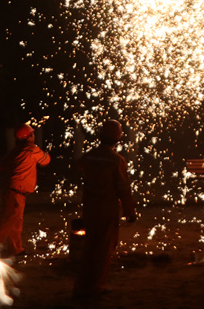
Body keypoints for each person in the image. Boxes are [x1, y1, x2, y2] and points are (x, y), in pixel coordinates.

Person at [73, 119, 137, 299]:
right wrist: (129, 212)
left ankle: (80, 287)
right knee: (103, 250)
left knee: (89, 248)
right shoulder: (116, 160)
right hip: (106, 210)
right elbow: (123, 188)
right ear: (118, 138)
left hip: (90, 208)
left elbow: (79, 165)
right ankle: (95, 287)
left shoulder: (91, 155)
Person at [0, 123, 51, 257]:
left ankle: (15, 249)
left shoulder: (15, 151)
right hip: (17, 192)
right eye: (32, 134)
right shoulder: (32, 150)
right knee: (5, 222)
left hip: (12, 191)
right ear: (29, 137)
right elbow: (46, 161)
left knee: (15, 223)